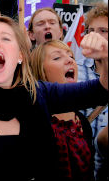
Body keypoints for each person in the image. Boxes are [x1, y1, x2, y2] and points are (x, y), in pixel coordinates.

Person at [0, 15, 108, 180]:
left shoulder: (39, 93)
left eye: (6, 38)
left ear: (20, 56)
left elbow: (100, 91)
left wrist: (106, 55)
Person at [30, 39, 96, 180]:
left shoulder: (82, 122)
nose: (69, 61)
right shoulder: (34, 121)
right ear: (40, 70)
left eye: (71, 56)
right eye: (57, 57)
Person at [77, 2, 108, 180]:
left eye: (103, 30)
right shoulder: (74, 69)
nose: (96, 36)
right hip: (83, 169)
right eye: (91, 31)